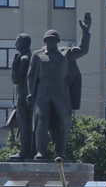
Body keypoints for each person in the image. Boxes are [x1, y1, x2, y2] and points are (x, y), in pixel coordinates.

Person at [26, 13, 91, 161]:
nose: (51, 41)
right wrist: (30, 93)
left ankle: (60, 152)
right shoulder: (37, 55)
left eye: (53, 39)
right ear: (45, 41)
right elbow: (30, 76)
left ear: (57, 41)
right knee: (41, 121)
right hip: (43, 89)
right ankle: (41, 151)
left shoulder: (65, 53)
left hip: (61, 89)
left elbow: (83, 49)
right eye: (48, 39)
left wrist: (85, 31)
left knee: (62, 121)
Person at [7, 33, 34, 161]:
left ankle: (25, 152)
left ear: (24, 43)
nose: (15, 44)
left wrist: (14, 63)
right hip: (26, 96)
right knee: (27, 125)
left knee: (24, 125)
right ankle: (30, 150)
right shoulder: (31, 56)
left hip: (23, 96)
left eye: (17, 41)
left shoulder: (24, 59)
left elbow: (16, 79)